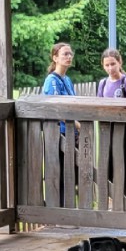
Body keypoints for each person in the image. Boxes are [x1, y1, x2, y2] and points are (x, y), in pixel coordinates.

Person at [96, 48, 126, 189]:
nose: (110, 68)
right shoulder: (103, 83)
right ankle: (110, 194)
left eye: (113, 64)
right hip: (107, 129)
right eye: (107, 65)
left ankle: (123, 193)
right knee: (108, 160)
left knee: (124, 160)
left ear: (120, 62)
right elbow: (98, 105)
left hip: (125, 129)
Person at [42, 42, 76, 201]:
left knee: (70, 174)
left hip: (70, 133)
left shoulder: (67, 80)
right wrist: (76, 124)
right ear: (55, 58)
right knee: (60, 174)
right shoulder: (52, 80)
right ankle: (59, 208)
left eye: (70, 54)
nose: (69, 57)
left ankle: (68, 208)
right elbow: (55, 108)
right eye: (65, 54)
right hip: (58, 134)